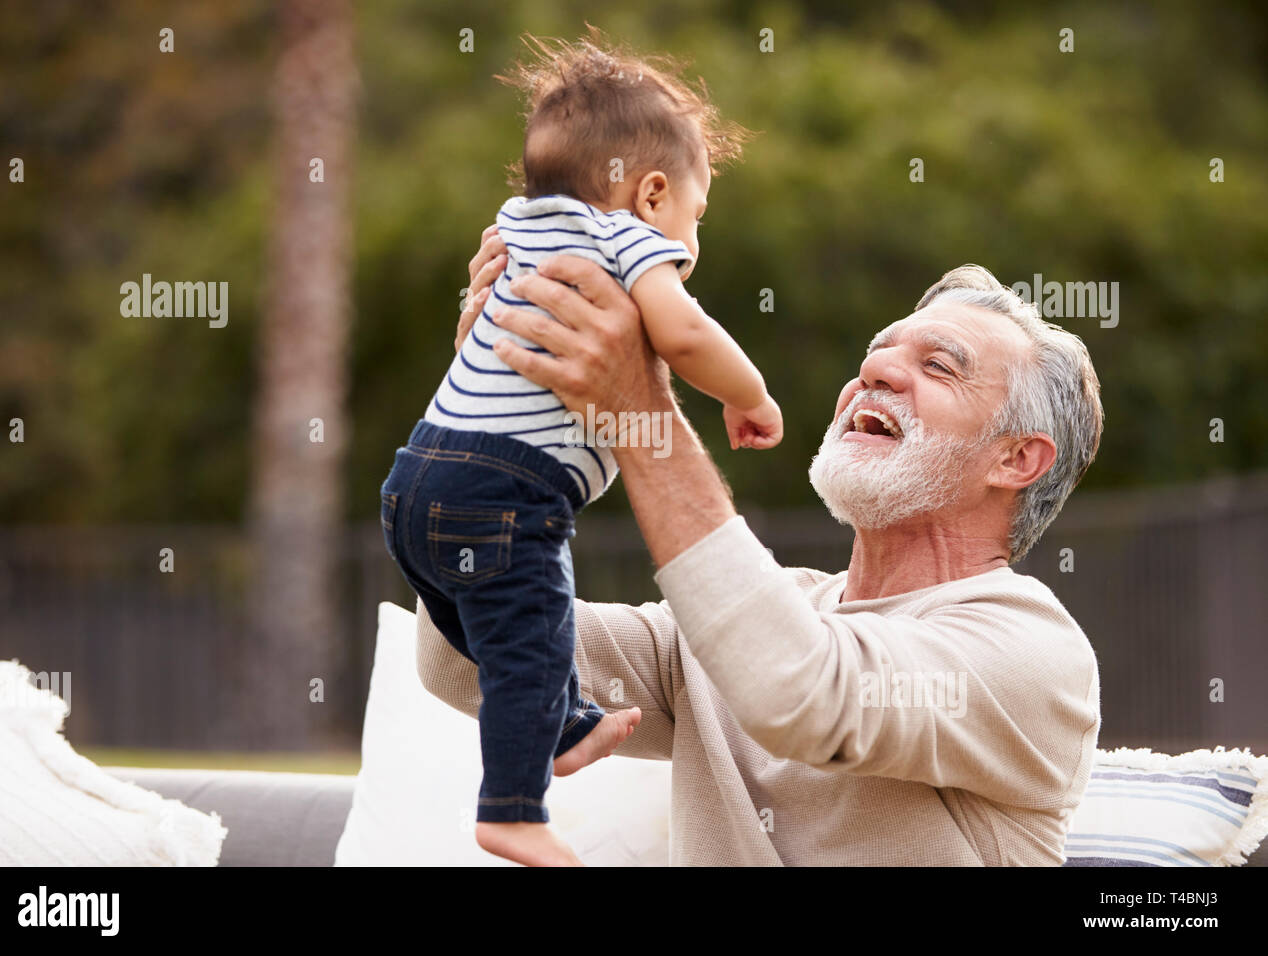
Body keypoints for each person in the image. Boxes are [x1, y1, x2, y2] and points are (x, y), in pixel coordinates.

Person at [419, 242, 1106, 865]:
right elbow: (463, 659)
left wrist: (637, 404)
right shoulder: (746, 624)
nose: (874, 370)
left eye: (938, 365)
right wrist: (486, 418)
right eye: (878, 350)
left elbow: (801, 692)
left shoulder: (1034, 650)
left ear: (1017, 459)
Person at [380, 31, 781, 867]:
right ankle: (513, 810)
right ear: (653, 194)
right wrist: (749, 395)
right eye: (695, 218)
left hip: (414, 480)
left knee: (514, 637)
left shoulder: (518, 226)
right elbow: (685, 331)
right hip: (505, 493)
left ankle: (561, 721)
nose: (690, 242)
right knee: (531, 627)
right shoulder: (628, 240)